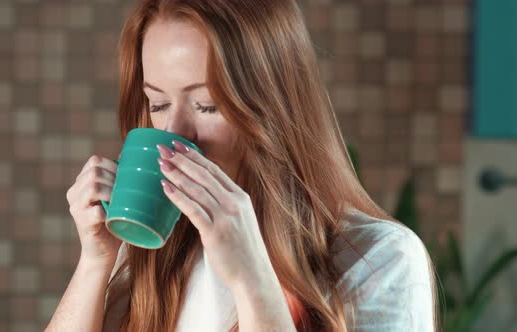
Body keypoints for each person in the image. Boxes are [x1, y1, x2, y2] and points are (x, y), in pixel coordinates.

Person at [47, 0, 438, 331]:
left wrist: (252, 280)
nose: (175, 132)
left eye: (207, 105)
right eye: (159, 104)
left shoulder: (379, 257)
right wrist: (95, 262)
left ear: (273, 109)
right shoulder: (151, 250)